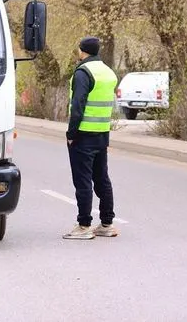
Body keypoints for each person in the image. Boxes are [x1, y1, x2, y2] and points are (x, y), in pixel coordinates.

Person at [63, 36, 119, 240]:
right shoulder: (108, 72)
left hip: (83, 136)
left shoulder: (83, 72)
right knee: (102, 179)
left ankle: (84, 225)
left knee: (83, 181)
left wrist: (71, 134)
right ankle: (106, 223)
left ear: (82, 51)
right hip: (102, 134)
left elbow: (77, 106)